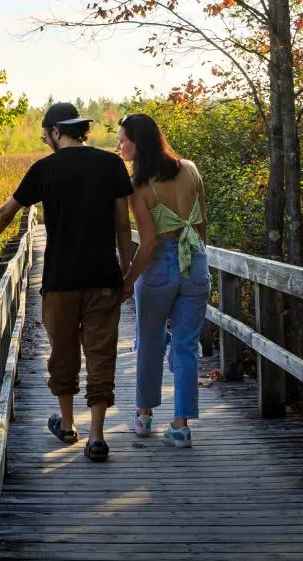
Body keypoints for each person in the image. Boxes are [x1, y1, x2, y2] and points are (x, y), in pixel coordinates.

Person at [0, 102, 133, 462]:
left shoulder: (44, 169)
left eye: (44, 134)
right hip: (103, 278)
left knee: (63, 352)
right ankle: (96, 436)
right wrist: (127, 275)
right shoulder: (111, 164)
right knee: (101, 355)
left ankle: (67, 425)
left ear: (54, 132)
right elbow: (123, 226)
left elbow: (6, 213)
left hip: (60, 279)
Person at [117, 113, 209, 448]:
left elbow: (149, 241)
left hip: (159, 267)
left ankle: (144, 416)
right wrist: (198, 259)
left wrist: (128, 281)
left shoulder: (138, 186)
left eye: (122, 139)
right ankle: (180, 426)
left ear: (137, 143)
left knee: (150, 340)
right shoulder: (191, 169)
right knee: (185, 346)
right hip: (195, 261)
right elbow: (201, 226)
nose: (119, 145)